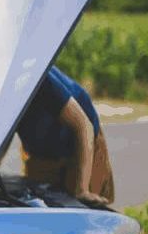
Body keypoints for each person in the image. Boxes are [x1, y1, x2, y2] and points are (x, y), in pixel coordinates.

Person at [16, 66, 114, 206]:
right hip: (41, 152)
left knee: (81, 206)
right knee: (37, 205)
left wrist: (82, 189)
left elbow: (83, 125)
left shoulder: (38, 78)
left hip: (82, 144)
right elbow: (1, 136)